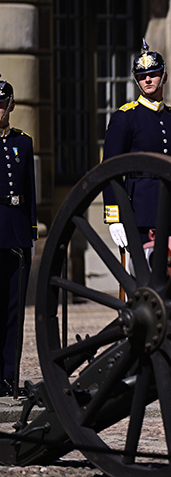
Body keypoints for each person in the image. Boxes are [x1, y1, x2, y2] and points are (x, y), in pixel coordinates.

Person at [103, 40, 171, 246]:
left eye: (153, 74)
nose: (147, 79)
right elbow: (110, 171)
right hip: (139, 212)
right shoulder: (125, 117)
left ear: (164, 77)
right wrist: (114, 217)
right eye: (142, 76)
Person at [0, 78, 36, 396]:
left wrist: (32, 234)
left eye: (2, 104)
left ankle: (10, 378)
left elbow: (31, 195)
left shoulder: (23, 142)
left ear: (11, 106)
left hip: (18, 232)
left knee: (15, 310)